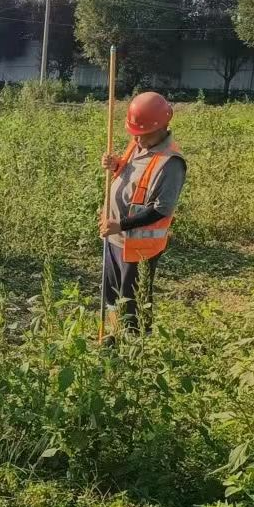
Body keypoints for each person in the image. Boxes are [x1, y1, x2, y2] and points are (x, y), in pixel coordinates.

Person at [98, 91, 186, 335]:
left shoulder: (171, 163)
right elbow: (135, 177)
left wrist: (120, 225)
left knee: (134, 299)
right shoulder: (139, 142)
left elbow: (161, 210)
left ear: (162, 127)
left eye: (143, 135)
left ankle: (137, 345)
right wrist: (116, 165)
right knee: (112, 296)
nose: (137, 140)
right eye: (134, 134)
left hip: (138, 247)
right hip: (114, 239)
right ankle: (112, 338)